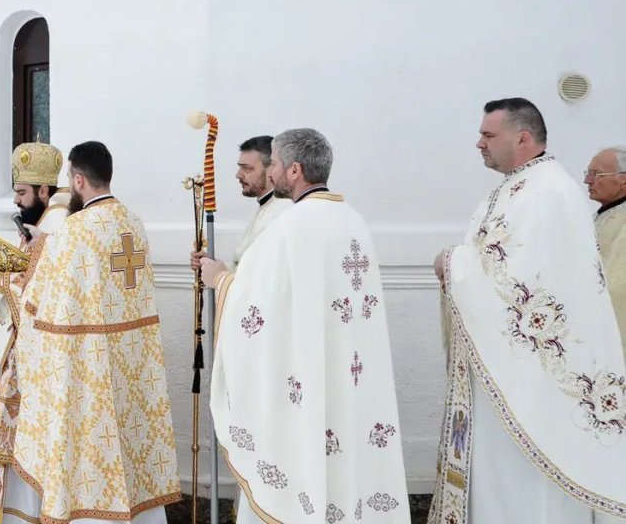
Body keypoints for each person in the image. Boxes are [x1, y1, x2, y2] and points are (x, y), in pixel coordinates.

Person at [429, 99, 626, 523]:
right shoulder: (522, 186)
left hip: (530, 378)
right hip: (504, 370)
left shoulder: (548, 191)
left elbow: (520, 285)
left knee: (524, 484)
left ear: (522, 138)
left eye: (488, 135)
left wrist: (452, 263)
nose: (478, 143)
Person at [199, 129, 408, 522]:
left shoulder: (291, 227)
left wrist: (220, 281)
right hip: (348, 373)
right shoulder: (353, 221)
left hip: (309, 374)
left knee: (303, 457)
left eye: (274, 164)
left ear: (293, 170)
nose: (271, 171)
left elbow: (257, 305)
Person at [13, 141, 181, 523]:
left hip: (88, 371)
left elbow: (41, 304)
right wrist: (50, 245)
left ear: (77, 180)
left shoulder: (76, 230)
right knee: (130, 443)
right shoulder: (132, 221)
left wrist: (32, 260)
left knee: (92, 449)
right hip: (132, 363)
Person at [0, 142, 71, 524]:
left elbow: (44, 297)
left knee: (26, 440)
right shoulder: (42, 223)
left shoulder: (58, 226)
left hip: (35, 358)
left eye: (22, 192)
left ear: (45, 191)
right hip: (18, 345)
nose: (15, 199)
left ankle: (24, 515)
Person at [189, 135, 291, 274]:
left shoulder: (281, 212)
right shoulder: (268, 206)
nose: (238, 175)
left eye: (247, 168)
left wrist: (220, 276)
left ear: (272, 170)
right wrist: (214, 265)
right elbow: (245, 267)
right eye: (240, 168)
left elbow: (261, 277)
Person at [587, 146, 626, 366]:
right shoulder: (603, 214)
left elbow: (617, 288)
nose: (587, 180)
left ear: (624, 180)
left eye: (596, 174)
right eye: (588, 173)